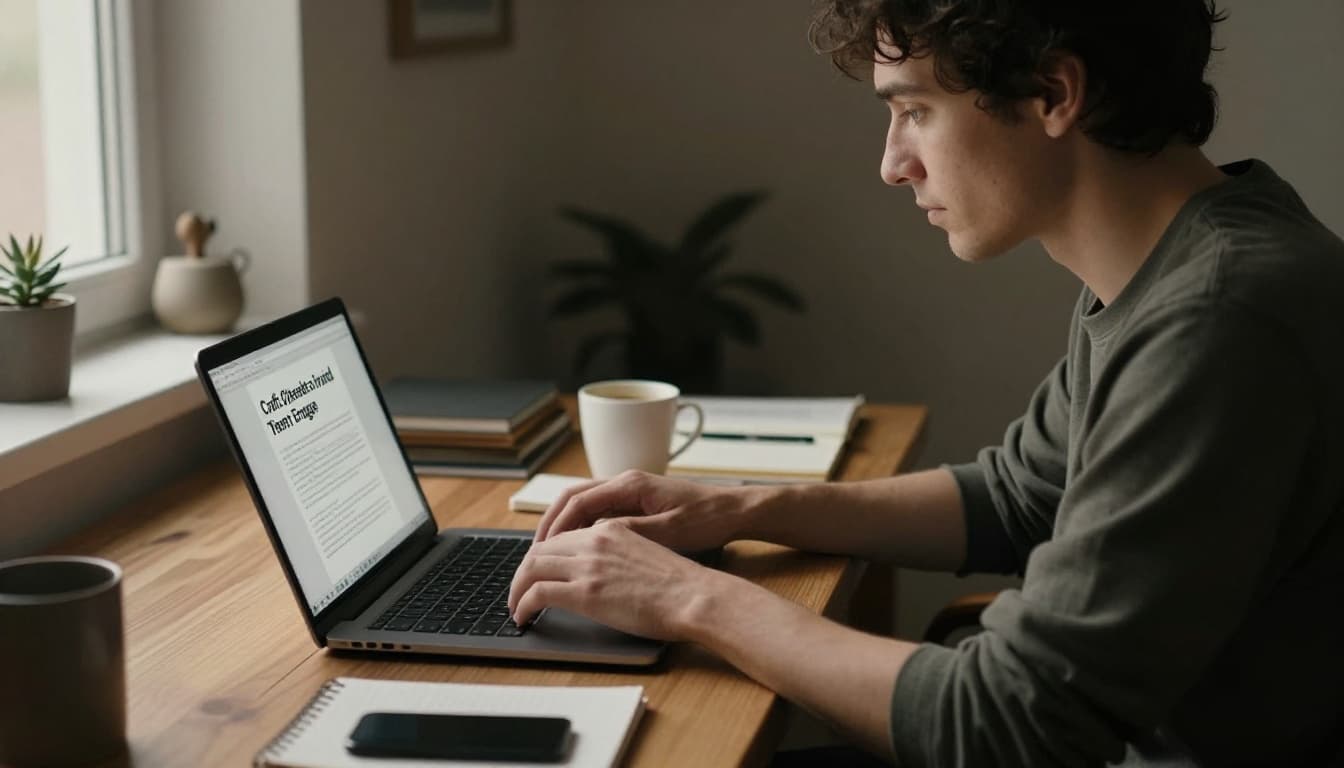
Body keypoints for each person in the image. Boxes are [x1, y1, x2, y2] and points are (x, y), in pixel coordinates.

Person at [508, 0, 1344, 764]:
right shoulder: (1187, 261)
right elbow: (1019, 496)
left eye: (914, 111)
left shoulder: (1220, 315)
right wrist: (740, 506)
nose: (893, 164)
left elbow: (1011, 723)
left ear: (1054, 94)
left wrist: (694, 601)